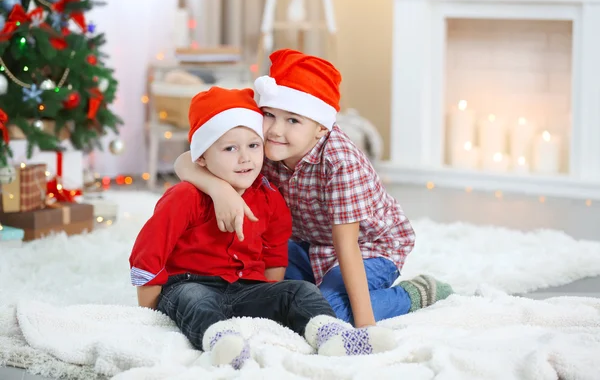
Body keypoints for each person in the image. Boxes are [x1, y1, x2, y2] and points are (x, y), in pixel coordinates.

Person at [173, 50, 453, 328]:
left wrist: (364, 325)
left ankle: (413, 294)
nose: (275, 131)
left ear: (320, 127)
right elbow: (186, 160)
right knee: (263, 291)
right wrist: (219, 189)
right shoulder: (264, 145)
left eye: (293, 120)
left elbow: (347, 246)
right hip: (305, 244)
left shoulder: (340, 162)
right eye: (269, 114)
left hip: (367, 247)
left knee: (327, 310)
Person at [129, 87, 397, 370]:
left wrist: (270, 297)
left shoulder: (269, 197)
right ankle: (221, 343)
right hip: (191, 283)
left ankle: (331, 334)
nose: (245, 158)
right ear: (202, 158)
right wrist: (151, 314)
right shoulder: (185, 197)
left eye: (253, 146)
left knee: (300, 290)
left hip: (247, 288)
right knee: (193, 298)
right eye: (230, 148)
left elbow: (275, 254)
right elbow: (148, 252)